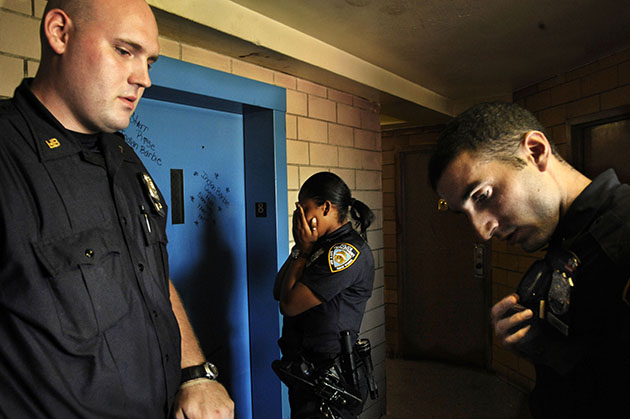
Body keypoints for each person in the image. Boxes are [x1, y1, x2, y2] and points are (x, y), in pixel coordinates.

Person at [0, 0, 234, 417]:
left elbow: (151, 274)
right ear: (59, 33)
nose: (143, 78)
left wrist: (195, 371)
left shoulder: (123, 157)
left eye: (150, 61)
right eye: (125, 51)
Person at [428, 101, 630, 417]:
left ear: (535, 151)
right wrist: (540, 344)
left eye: (482, 196)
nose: (483, 231)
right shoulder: (568, 239)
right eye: (464, 214)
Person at [273, 172, 376, 419]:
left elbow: (288, 304)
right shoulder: (318, 246)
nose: (300, 217)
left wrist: (304, 249)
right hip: (307, 372)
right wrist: (301, 249)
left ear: (326, 207)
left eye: (304, 208)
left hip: (328, 376)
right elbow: (279, 290)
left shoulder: (345, 252)